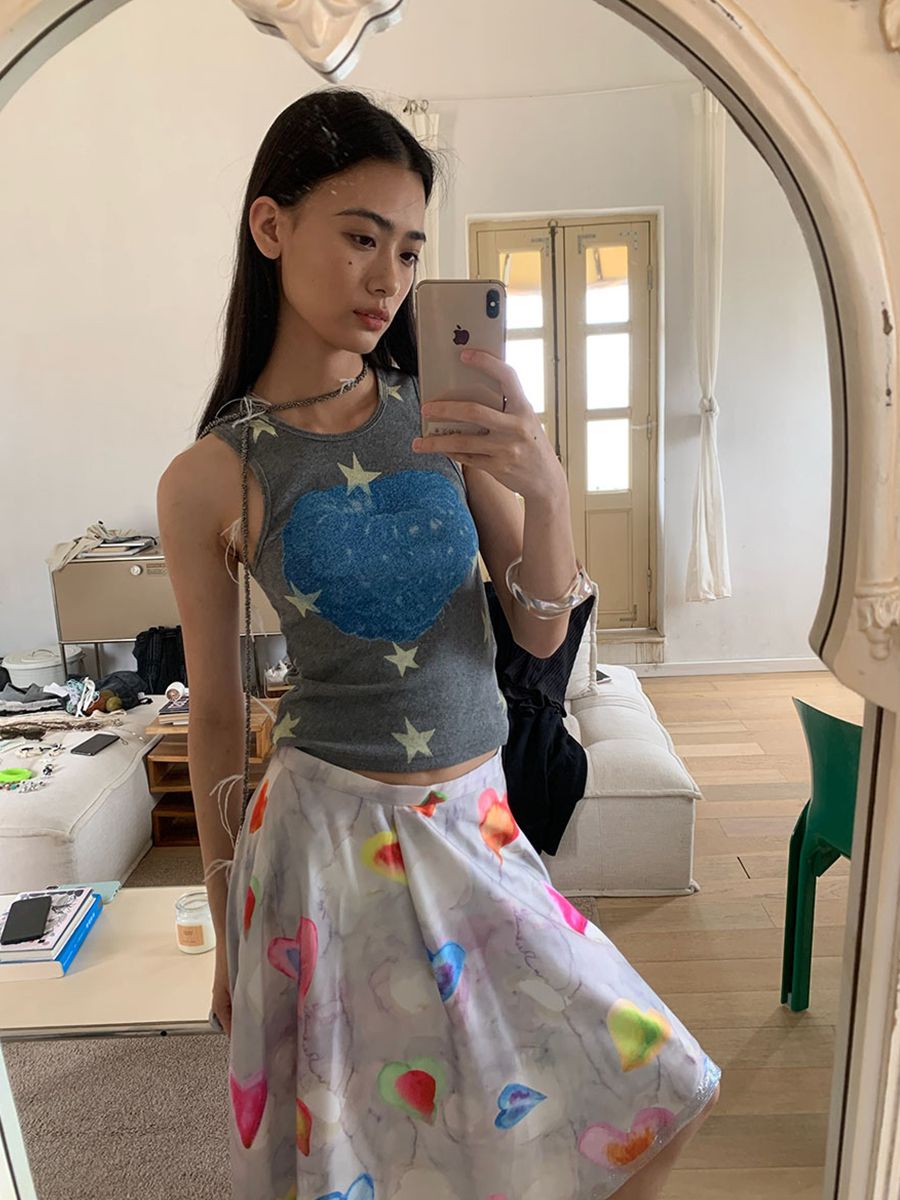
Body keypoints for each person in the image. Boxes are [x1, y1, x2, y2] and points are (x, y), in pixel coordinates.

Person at [157, 89, 720, 1200]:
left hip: (478, 819)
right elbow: (215, 715)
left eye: (410, 251)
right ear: (271, 226)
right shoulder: (212, 475)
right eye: (361, 238)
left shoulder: (438, 416)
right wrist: (225, 926)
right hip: (326, 847)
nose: (389, 279)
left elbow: (540, 624)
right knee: (378, 1151)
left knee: (661, 1083)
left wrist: (546, 486)